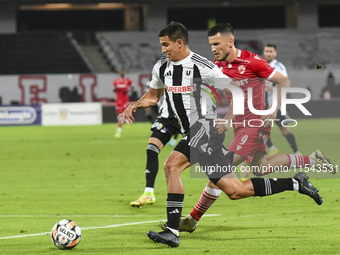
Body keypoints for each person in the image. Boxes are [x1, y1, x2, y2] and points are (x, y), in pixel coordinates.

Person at [119, 21, 324, 248]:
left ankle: (173, 230)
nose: (163, 50)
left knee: (171, 165)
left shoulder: (204, 66)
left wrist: (230, 120)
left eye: (166, 45)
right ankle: (296, 183)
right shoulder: (162, 66)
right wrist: (135, 104)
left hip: (209, 129)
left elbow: (236, 92)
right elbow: (153, 96)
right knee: (236, 189)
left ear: (179, 43)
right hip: (204, 130)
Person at [130, 99, 181, 207]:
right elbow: (153, 95)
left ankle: (216, 185)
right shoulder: (161, 80)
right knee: (152, 149)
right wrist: (136, 104)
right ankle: (148, 193)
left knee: (204, 155)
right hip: (167, 118)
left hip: (189, 118)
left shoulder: (195, 81)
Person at [263, 43, 300, 156]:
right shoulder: (261, 65)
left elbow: (285, 84)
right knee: (260, 128)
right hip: (263, 103)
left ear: (275, 53)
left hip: (276, 103)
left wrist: (270, 88)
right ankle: (272, 149)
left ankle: (297, 153)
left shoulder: (279, 67)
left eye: (271, 51)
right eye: (267, 51)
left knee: (284, 130)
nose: (268, 53)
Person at [113, 68, 133, 138]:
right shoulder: (116, 80)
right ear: (119, 72)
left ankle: (118, 133)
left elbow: (132, 87)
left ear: (124, 72)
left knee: (120, 116)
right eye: (121, 71)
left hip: (124, 100)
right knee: (118, 116)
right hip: (118, 100)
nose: (122, 72)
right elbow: (114, 89)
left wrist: (128, 90)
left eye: (123, 71)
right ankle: (127, 121)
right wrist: (116, 89)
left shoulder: (127, 80)